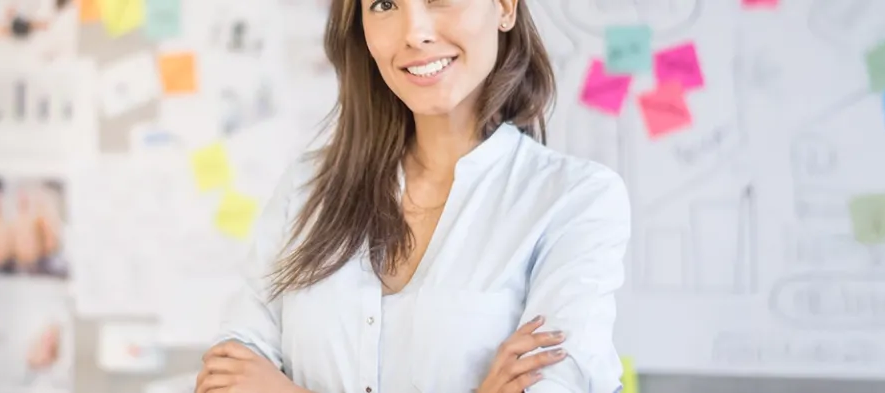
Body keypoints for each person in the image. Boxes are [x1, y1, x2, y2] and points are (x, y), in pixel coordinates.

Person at [200, 0, 627, 392]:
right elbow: (226, 376)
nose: (414, 32)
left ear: (504, 7)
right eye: (384, 4)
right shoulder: (308, 187)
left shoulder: (575, 201)